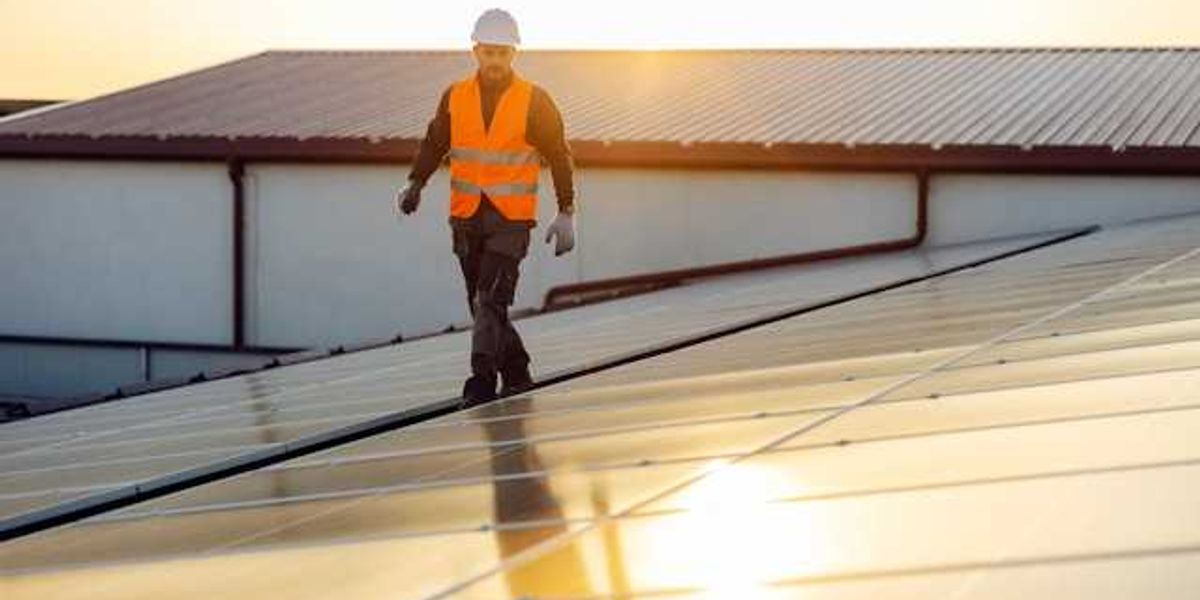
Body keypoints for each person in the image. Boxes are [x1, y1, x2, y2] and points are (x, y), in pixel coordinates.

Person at [396, 8, 577, 408]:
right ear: (475, 51)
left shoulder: (535, 100)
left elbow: (559, 155)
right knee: (481, 303)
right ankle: (516, 369)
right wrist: (415, 182)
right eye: (488, 52)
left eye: (503, 53)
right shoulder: (455, 96)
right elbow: (434, 142)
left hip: (511, 221)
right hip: (465, 218)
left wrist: (566, 211)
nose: (495, 60)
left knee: (489, 299)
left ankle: (481, 380)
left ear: (514, 54)